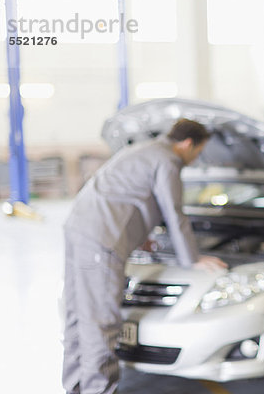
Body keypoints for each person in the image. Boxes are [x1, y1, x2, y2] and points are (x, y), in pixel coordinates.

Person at [61, 118, 228, 394]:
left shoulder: (143, 149)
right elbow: (174, 212)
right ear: (187, 144)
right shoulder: (168, 161)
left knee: (77, 315)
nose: (196, 160)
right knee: (101, 322)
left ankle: (75, 388)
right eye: (198, 153)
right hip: (102, 241)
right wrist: (193, 258)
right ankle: (98, 390)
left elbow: (133, 198)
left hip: (78, 228)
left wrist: (144, 236)